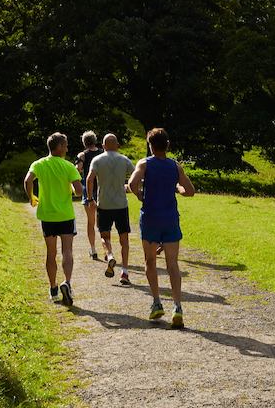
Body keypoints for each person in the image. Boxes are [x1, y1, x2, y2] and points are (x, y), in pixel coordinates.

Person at [128, 128, 195, 329]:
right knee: (172, 264)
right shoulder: (175, 166)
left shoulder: (144, 163)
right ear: (168, 145)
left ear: (150, 145)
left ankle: (157, 302)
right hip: (170, 218)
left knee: (150, 261)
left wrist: (140, 195)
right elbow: (190, 191)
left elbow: (132, 184)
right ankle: (177, 307)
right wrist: (177, 188)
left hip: (150, 218)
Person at [25, 132, 83, 306]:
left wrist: (31, 197)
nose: (67, 148)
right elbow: (79, 191)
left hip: (47, 215)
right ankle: (68, 283)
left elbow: (28, 180)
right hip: (65, 215)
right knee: (67, 251)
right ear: (58, 147)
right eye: (65, 145)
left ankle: (53, 289)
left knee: (51, 253)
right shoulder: (68, 166)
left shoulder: (39, 164)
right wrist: (72, 189)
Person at [86, 133, 135, 285]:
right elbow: (135, 176)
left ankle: (110, 254)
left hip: (104, 204)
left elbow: (89, 179)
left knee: (104, 235)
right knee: (124, 239)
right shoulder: (124, 159)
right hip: (121, 204)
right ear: (118, 145)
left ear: (103, 145)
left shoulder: (97, 159)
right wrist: (131, 189)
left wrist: (90, 198)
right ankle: (125, 272)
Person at [75, 131, 105, 260]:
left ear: (84, 142)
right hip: (102, 190)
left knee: (90, 222)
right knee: (103, 222)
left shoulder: (82, 155)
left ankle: (93, 249)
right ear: (95, 140)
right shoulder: (103, 153)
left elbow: (78, 169)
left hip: (89, 190)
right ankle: (106, 249)